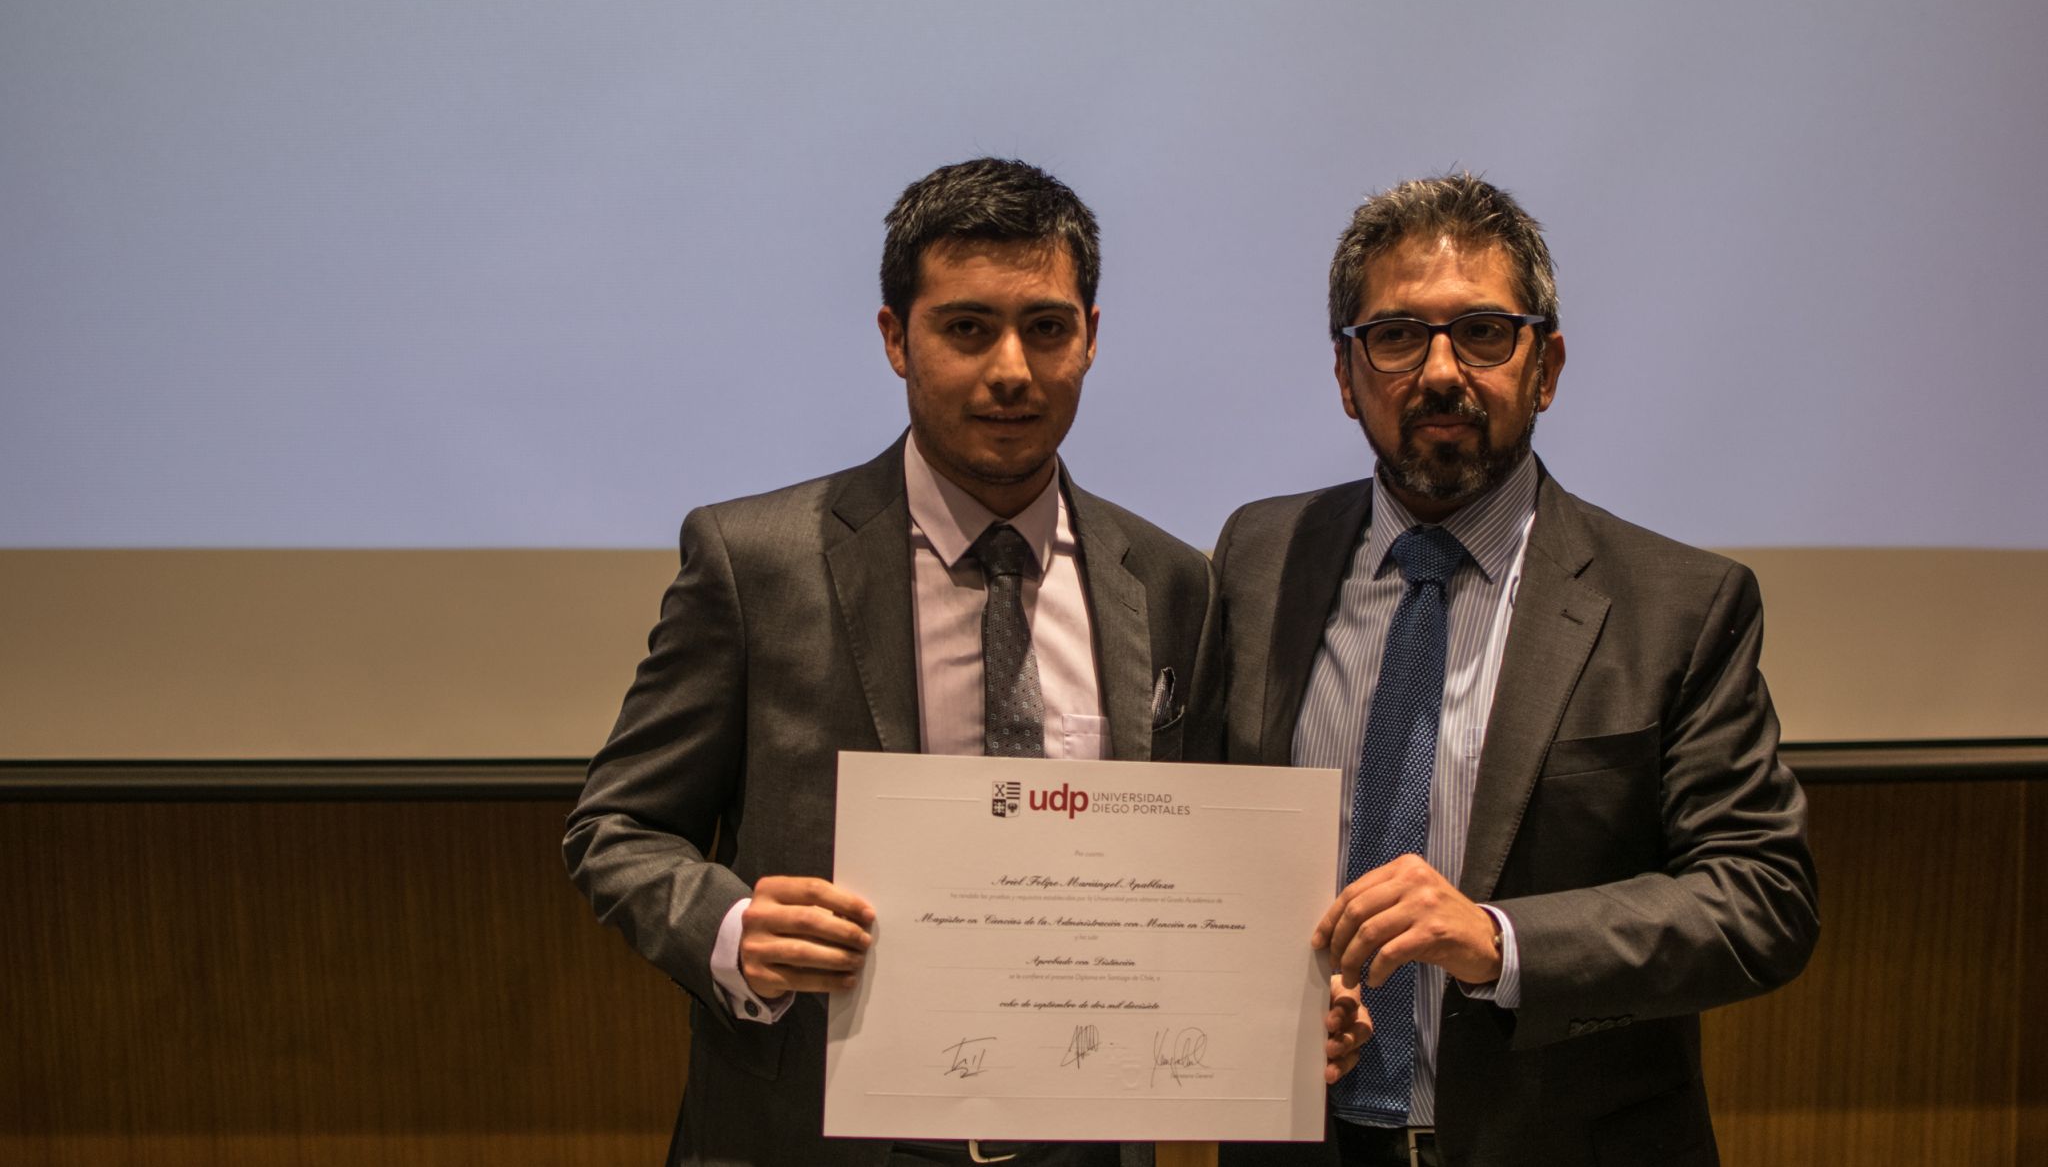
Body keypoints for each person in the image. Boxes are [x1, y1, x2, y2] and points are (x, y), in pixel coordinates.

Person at [564, 158, 1360, 1167]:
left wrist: (1279, 1003)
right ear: (896, 338)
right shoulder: (754, 562)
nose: (1011, 370)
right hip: (815, 1136)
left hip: (1085, 1142)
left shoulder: (1170, 583)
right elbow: (617, 828)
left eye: (1046, 327)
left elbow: (1201, 873)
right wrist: (732, 930)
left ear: (1091, 336)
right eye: (967, 328)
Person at [1211, 174, 1819, 1167]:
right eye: (1395, 336)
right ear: (1346, 374)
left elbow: (1760, 899)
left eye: (1484, 333)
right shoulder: (1256, 558)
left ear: (1546, 367)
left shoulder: (1677, 605)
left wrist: (1500, 941)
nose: (1439, 371)